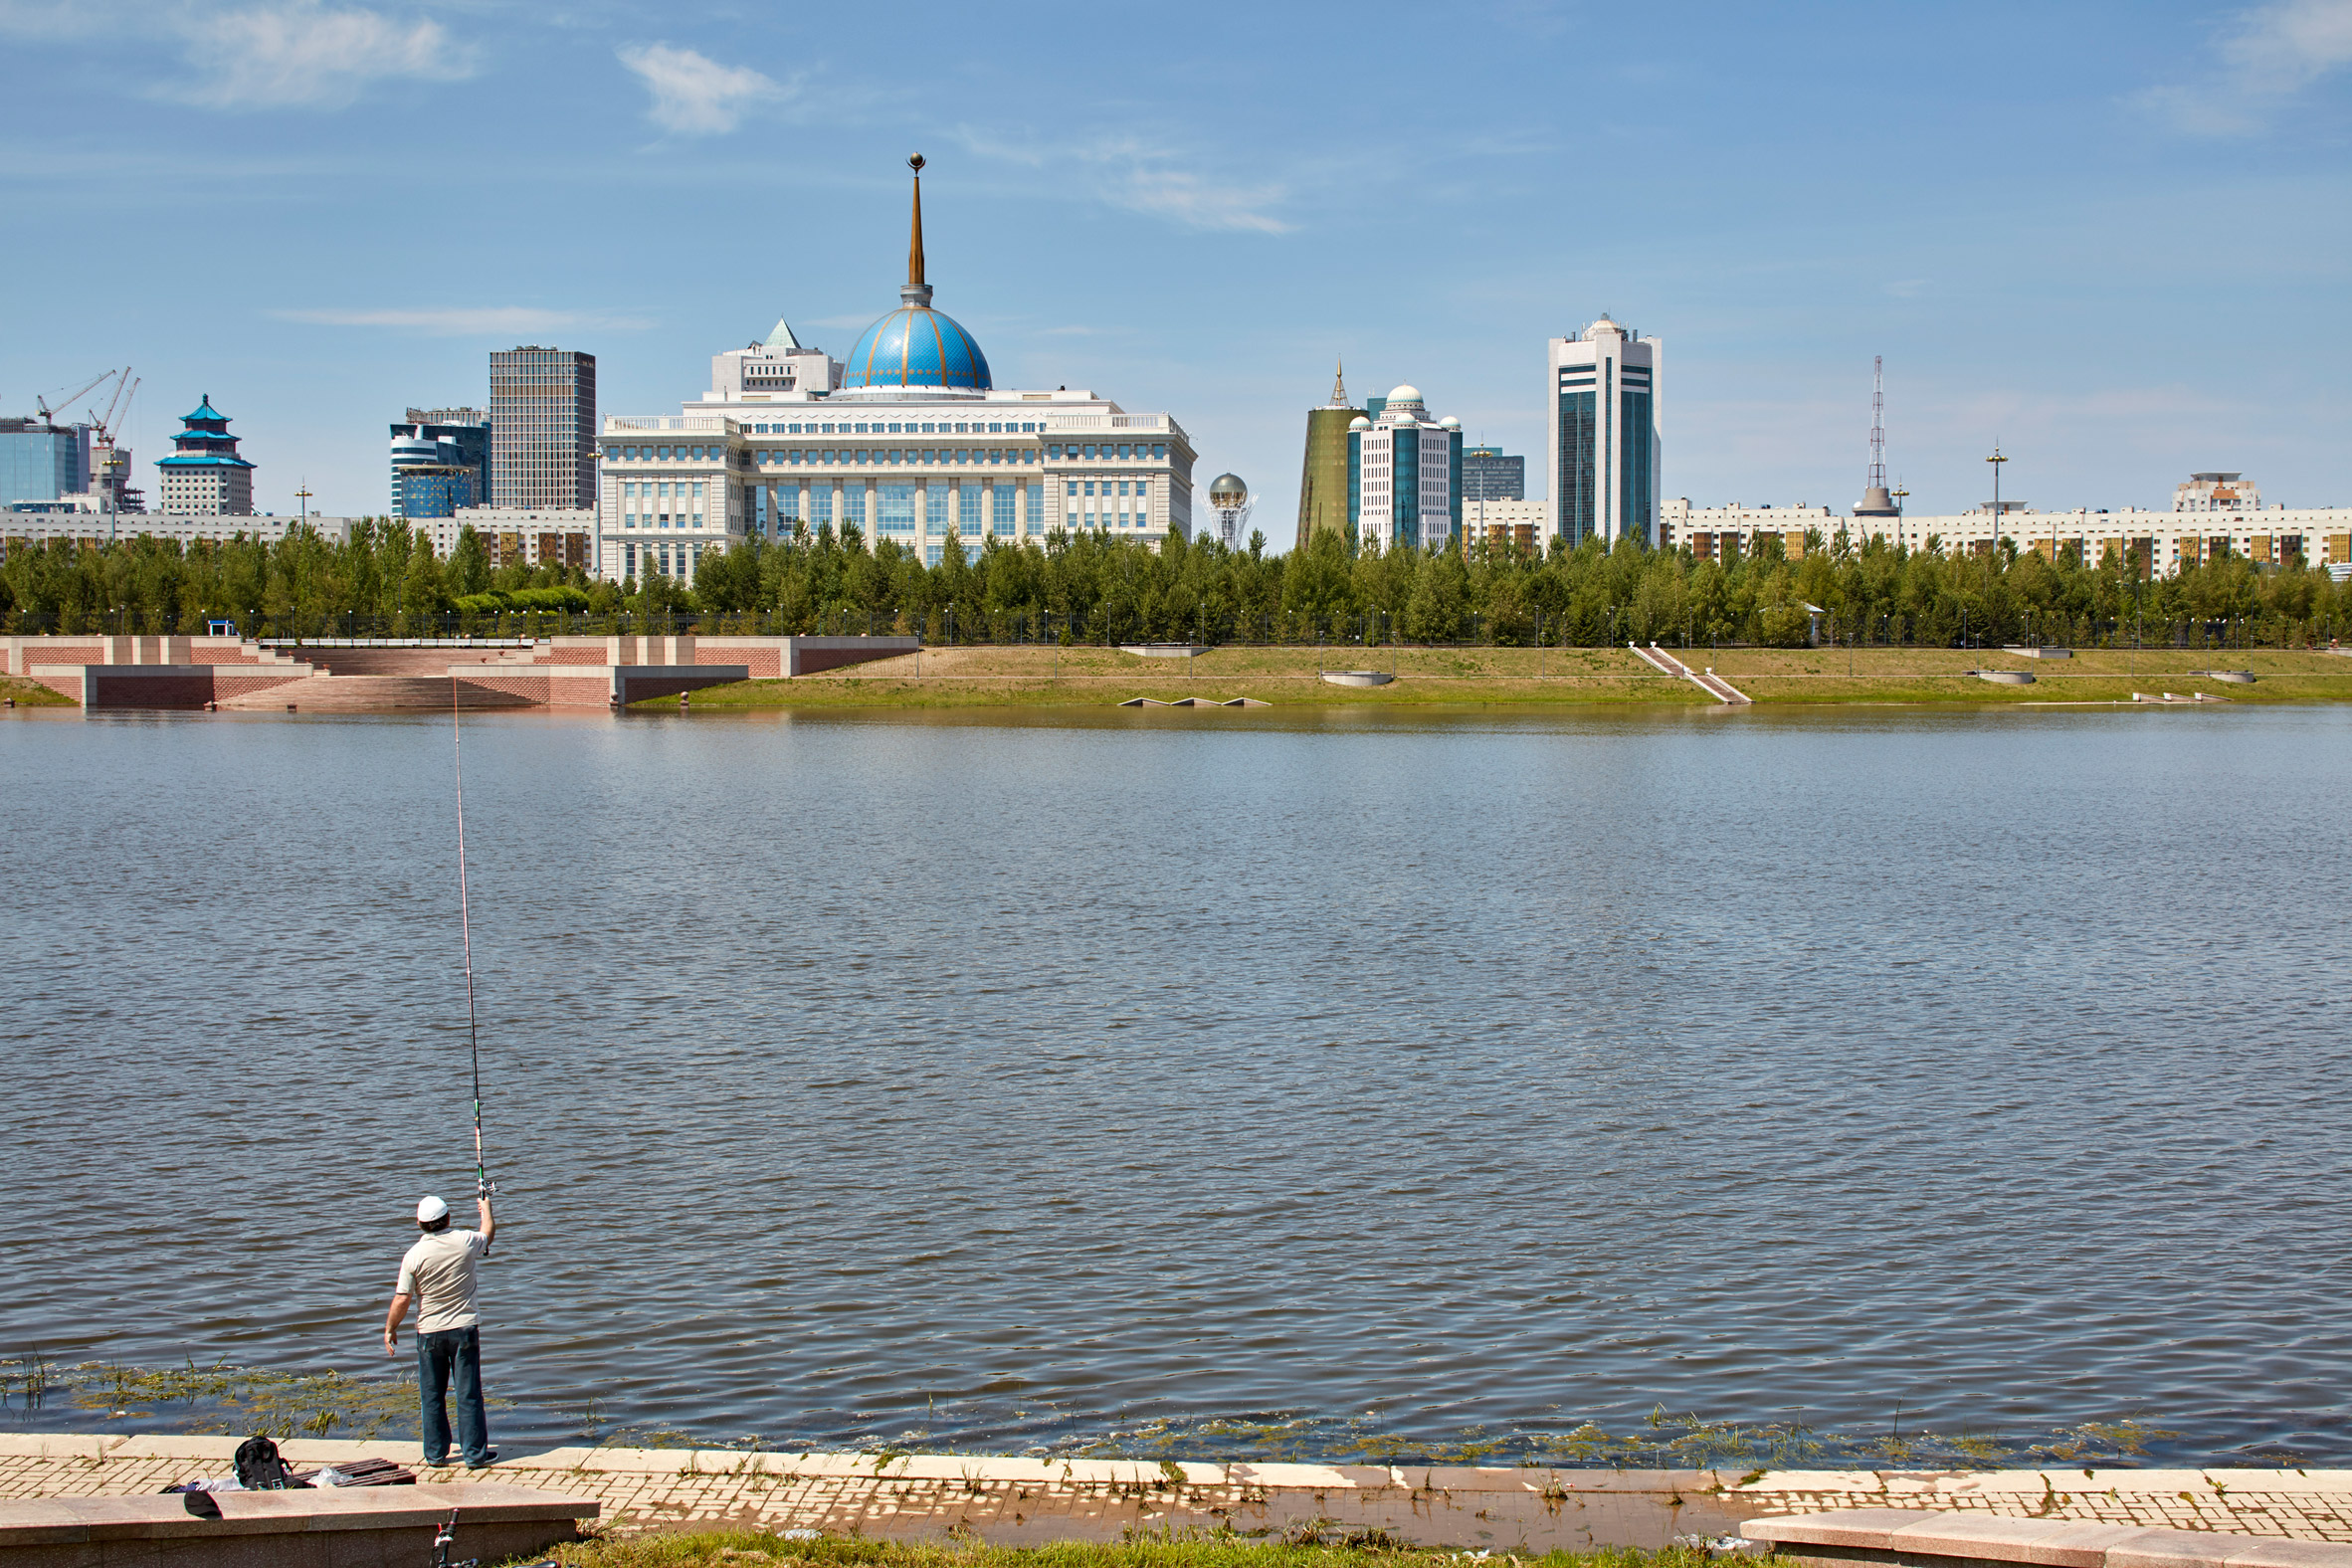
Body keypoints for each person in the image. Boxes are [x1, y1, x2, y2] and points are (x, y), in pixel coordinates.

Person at [383, 1192, 497, 1469]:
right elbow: (487, 1234)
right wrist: (486, 1208)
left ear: (420, 1224)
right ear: (447, 1218)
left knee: (432, 1395)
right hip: (464, 1329)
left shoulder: (413, 1255)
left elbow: (402, 1298)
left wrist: (390, 1328)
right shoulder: (465, 1241)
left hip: (429, 1333)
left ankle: (435, 1455)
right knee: (468, 1394)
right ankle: (474, 1455)